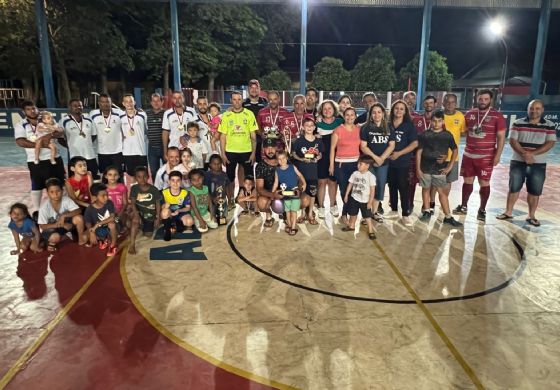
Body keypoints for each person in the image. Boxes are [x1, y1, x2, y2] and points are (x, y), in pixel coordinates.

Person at [496, 99, 556, 226]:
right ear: (528, 109)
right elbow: (512, 140)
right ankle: (508, 212)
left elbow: (550, 143)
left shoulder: (549, 125)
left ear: (542, 110)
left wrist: (531, 154)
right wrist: (525, 154)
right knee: (514, 188)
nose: (534, 111)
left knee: (534, 191)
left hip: (538, 164)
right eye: (531, 108)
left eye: (537, 108)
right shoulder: (518, 123)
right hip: (518, 162)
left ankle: (531, 216)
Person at [453, 89, 506, 222]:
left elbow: (501, 137)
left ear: (490, 100)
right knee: (467, 181)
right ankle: (464, 206)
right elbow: (463, 131)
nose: (482, 102)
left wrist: (498, 155)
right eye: (480, 99)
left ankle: (482, 210)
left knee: (484, 182)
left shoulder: (497, 116)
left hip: (486, 156)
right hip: (469, 155)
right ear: (477, 99)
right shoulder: (470, 114)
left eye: (486, 99)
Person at [14, 100, 65, 211]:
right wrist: (40, 145)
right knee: (37, 186)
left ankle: (61, 208)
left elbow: (60, 131)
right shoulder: (21, 125)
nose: (32, 111)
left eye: (34, 108)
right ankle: (37, 211)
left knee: (60, 184)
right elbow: (20, 142)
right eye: (28, 109)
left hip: (54, 159)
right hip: (36, 161)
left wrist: (51, 134)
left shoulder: (47, 119)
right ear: (24, 112)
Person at [416, 110, 462, 227]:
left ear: (443, 121)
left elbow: (455, 150)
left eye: (439, 121)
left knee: (442, 192)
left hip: (440, 169)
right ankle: (426, 211)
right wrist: (418, 168)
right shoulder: (424, 134)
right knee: (426, 189)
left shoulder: (447, 135)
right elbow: (419, 152)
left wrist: (450, 165)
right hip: (425, 168)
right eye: (434, 121)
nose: (436, 123)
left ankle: (448, 216)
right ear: (430, 121)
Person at [219, 91, 258, 205]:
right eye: (234, 99)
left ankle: (250, 202)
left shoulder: (249, 114)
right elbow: (222, 136)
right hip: (230, 152)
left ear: (242, 100)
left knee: (249, 178)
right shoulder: (226, 115)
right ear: (231, 101)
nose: (237, 102)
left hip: (246, 151)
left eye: (239, 99)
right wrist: (223, 153)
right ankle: (230, 200)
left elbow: (253, 136)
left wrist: (253, 153)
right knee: (229, 179)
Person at [360, 102, 396, 223]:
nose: (377, 115)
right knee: (368, 188)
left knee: (380, 187)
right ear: (370, 115)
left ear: (383, 114)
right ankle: (366, 214)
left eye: (379, 112)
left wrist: (382, 159)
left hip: (383, 164)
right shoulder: (366, 127)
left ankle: (374, 213)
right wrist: (376, 158)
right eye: (374, 112)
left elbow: (391, 145)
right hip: (369, 163)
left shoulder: (389, 127)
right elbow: (364, 146)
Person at [386, 100, 418, 226]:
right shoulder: (387, 124)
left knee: (403, 187)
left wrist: (399, 153)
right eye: (396, 108)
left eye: (401, 109)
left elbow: (414, 143)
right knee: (392, 185)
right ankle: (393, 210)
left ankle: (405, 214)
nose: (398, 111)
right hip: (389, 161)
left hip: (402, 161)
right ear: (393, 110)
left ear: (405, 112)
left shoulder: (408, 125)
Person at [329, 107, 361, 223]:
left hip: (355, 165)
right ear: (344, 116)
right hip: (341, 165)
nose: (349, 117)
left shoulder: (359, 129)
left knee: (353, 191)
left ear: (355, 116)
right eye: (347, 115)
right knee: (344, 191)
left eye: (352, 115)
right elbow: (332, 148)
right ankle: (345, 214)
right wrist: (332, 165)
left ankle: (347, 213)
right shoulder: (338, 130)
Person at [38, 178, 87, 252]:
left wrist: (64, 215)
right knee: (55, 237)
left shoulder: (66, 200)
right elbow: (42, 226)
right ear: (48, 193)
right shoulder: (44, 207)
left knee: (79, 218)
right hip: (51, 229)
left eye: (58, 191)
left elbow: (78, 210)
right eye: (52, 192)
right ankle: (50, 242)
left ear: (62, 191)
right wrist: (60, 225)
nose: (55, 194)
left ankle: (81, 239)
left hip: (65, 225)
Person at [292, 117, 323, 225]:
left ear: (314, 127)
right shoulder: (299, 141)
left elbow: (320, 154)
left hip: (313, 172)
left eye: (311, 126)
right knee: (301, 193)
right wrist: (301, 159)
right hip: (302, 173)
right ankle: (302, 214)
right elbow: (294, 154)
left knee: (312, 193)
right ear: (303, 127)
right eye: (307, 125)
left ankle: (310, 213)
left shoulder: (318, 141)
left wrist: (317, 158)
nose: (309, 127)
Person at [316, 100, 343, 219]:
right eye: (324, 109)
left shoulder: (340, 122)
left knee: (333, 182)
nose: (327, 111)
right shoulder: (317, 124)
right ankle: (321, 206)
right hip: (321, 157)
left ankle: (333, 205)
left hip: (336, 156)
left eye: (329, 108)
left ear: (334, 110)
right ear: (321, 111)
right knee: (321, 183)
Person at [60, 99, 99, 179]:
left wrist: (86, 143)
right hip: (74, 157)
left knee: (93, 181)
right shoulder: (64, 121)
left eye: (80, 105)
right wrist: (70, 146)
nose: (78, 107)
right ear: (70, 107)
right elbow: (60, 139)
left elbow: (94, 135)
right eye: (75, 105)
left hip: (90, 156)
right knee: (75, 182)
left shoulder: (89, 120)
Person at [89, 93, 124, 177]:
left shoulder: (119, 113)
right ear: (99, 103)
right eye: (102, 102)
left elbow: (130, 116)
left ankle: (121, 190)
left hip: (117, 151)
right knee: (104, 176)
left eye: (107, 102)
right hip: (102, 152)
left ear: (111, 103)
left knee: (119, 176)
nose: (105, 104)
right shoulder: (93, 114)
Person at [342, 156, 377, 240]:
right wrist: (346, 195)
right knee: (353, 213)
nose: (358, 165)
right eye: (358, 163)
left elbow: (372, 191)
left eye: (360, 164)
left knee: (367, 216)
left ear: (367, 166)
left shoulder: (370, 176)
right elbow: (350, 184)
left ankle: (371, 230)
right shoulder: (355, 173)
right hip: (354, 198)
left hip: (365, 201)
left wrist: (370, 202)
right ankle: (351, 226)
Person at [129, 166, 162, 254]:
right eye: (139, 177)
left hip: (150, 214)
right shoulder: (134, 188)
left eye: (144, 176)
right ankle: (132, 244)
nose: (142, 179)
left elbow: (158, 204)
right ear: (136, 178)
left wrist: (158, 217)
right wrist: (136, 215)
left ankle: (142, 225)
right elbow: (132, 203)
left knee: (148, 235)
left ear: (148, 177)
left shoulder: (154, 189)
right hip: (139, 212)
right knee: (134, 220)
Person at [273, 150, 306, 236]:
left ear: (287, 158)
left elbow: (300, 175)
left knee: (293, 211)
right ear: (277, 160)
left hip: (295, 193)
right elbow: (276, 183)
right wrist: (273, 193)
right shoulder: (277, 170)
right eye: (279, 159)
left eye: (283, 158)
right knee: (287, 211)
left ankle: (294, 226)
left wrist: (304, 183)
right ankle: (290, 225)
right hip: (285, 194)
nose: (282, 160)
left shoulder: (292, 167)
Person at [442, 93, 467, 198]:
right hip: (437, 155)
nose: (449, 104)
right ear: (443, 103)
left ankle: (444, 202)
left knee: (448, 181)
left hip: (453, 156)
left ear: (456, 103)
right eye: (447, 102)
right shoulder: (438, 115)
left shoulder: (460, 116)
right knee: (434, 183)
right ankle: (431, 206)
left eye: (452, 102)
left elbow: (464, 132)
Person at [84, 183, 118, 256]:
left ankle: (113, 245)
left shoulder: (109, 203)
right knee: (86, 236)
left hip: (113, 227)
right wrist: (91, 233)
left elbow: (112, 217)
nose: (106, 197)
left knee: (111, 224)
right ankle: (104, 240)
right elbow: (88, 223)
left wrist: (98, 224)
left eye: (107, 194)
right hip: (100, 229)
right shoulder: (89, 209)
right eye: (103, 196)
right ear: (95, 197)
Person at [120, 94, 149, 181]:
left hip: (141, 151)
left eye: (131, 101)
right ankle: (134, 192)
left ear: (134, 102)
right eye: (126, 102)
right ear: (123, 103)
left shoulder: (142, 115)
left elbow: (146, 131)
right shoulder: (120, 117)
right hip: (127, 152)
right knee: (132, 176)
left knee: (143, 176)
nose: (129, 103)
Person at [161, 171, 194, 241]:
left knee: (189, 222)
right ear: (169, 182)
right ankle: (167, 230)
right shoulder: (164, 192)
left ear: (181, 181)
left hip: (180, 213)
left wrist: (179, 210)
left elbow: (188, 208)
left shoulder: (185, 193)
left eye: (178, 180)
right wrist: (166, 207)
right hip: (169, 214)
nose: (175, 183)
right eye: (173, 180)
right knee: (165, 212)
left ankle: (175, 224)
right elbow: (161, 208)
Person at [257, 90, 289, 159]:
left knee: (280, 168)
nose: (273, 102)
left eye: (275, 99)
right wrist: (261, 133)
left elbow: (288, 129)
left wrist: (282, 134)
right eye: (270, 99)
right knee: (266, 168)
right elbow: (257, 127)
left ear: (279, 99)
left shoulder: (285, 113)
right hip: (266, 147)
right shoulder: (261, 112)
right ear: (268, 100)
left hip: (280, 148)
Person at [256, 138, 280, 227]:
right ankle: (269, 216)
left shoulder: (284, 161)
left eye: (272, 148)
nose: (270, 151)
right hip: (268, 194)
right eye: (267, 148)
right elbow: (259, 188)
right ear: (263, 150)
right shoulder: (260, 166)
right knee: (261, 203)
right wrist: (273, 195)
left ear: (276, 148)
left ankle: (286, 215)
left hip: (283, 192)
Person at [145, 93, 166, 181]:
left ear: (162, 102)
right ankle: (157, 191)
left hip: (165, 148)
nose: (156, 103)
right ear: (151, 102)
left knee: (167, 171)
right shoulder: (146, 114)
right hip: (152, 148)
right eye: (154, 101)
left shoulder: (166, 113)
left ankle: (167, 190)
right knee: (154, 172)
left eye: (158, 101)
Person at [103, 166, 129, 232]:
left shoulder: (122, 187)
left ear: (119, 176)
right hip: (108, 213)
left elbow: (125, 203)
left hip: (120, 212)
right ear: (106, 176)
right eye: (110, 174)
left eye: (115, 175)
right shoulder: (103, 188)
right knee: (111, 226)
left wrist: (120, 214)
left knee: (124, 216)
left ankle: (122, 226)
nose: (113, 177)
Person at [193, 96, 214, 167]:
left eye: (204, 104)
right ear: (197, 105)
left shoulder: (213, 117)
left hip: (214, 156)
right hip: (202, 157)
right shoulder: (194, 120)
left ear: (208, 104)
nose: (202, 106)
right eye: (200, 104)